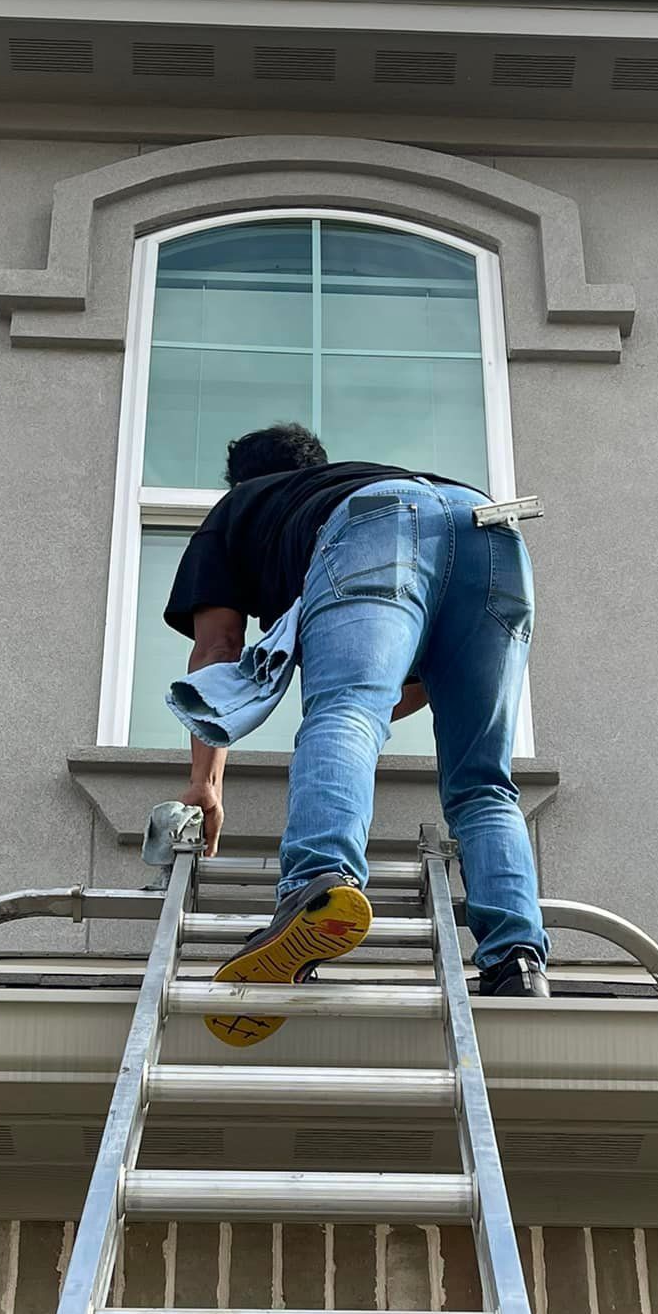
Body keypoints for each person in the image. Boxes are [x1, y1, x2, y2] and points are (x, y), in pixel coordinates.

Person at [166, 422, 549, 1046]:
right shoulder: (343, 480)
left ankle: (319, 886)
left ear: (243, 481)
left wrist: (205, 782)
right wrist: (366, 710)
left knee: (339, 712)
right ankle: (517, 961)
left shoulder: (241, 507)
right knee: (483, 781)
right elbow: (417, 685)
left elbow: (218, 647)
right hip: (492, 530)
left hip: (376, 527)